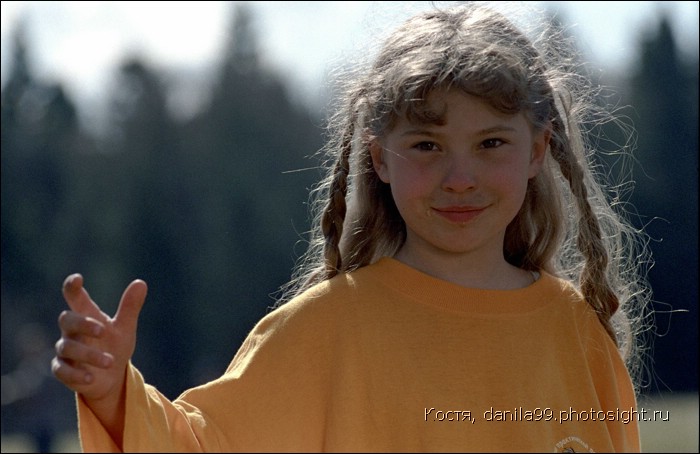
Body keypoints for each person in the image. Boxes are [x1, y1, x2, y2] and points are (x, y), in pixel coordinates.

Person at [51, 3, 652, 452]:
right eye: (427, 144)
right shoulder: (321, 331)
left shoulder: (576, 333)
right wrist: (112, 393)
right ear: (380, 158)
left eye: (491, 142)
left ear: (538, 149)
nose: (460, 176)